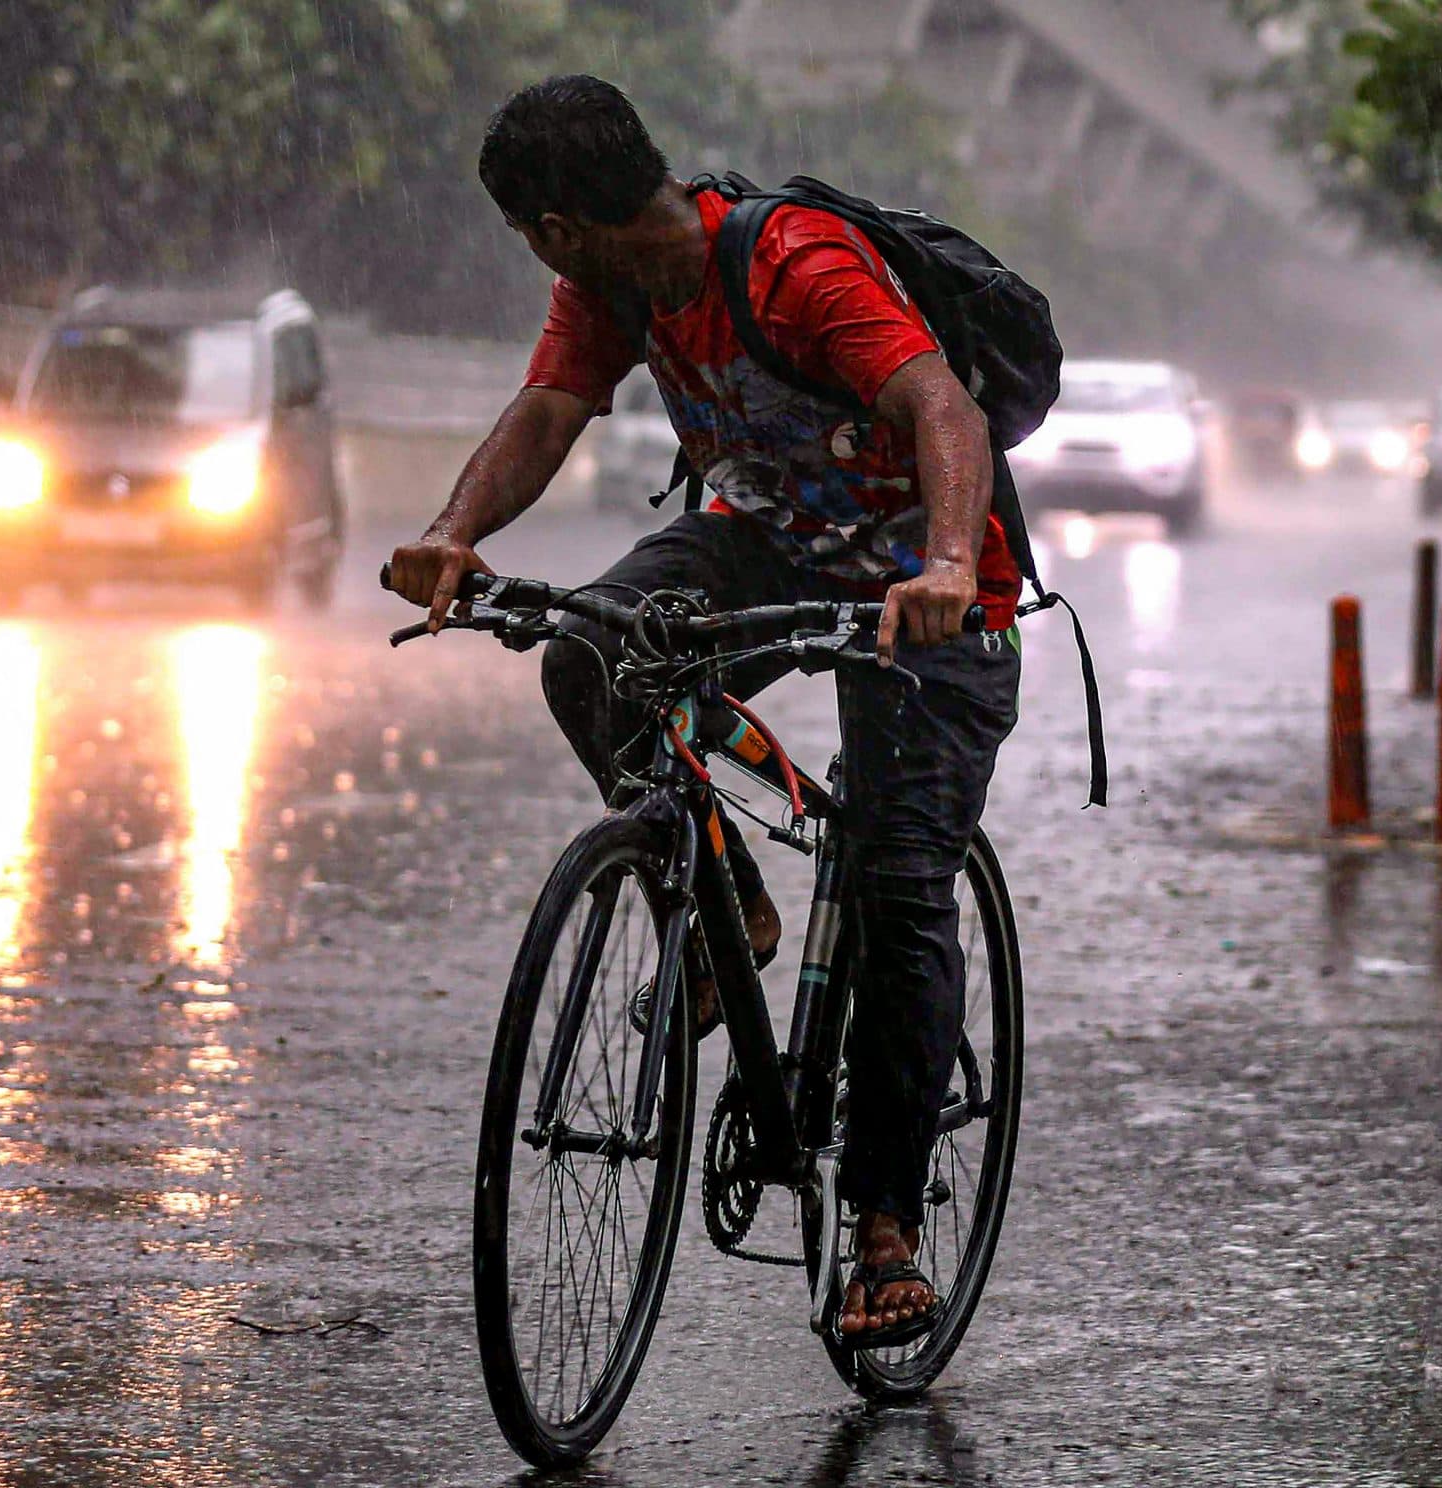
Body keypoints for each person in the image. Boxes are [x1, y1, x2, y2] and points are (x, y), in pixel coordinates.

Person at [388, 75, 1023, 1346]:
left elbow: (941, 407)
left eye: (531, 235)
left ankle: (886, 1227)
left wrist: (948, 565)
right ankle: (728, 893)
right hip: (766, 543)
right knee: (590, 651)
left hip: (926, 585)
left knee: (902, 883)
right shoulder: (610, 287)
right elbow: (550, 411)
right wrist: (454, 534)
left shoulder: (793, 266)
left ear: (555, 227)